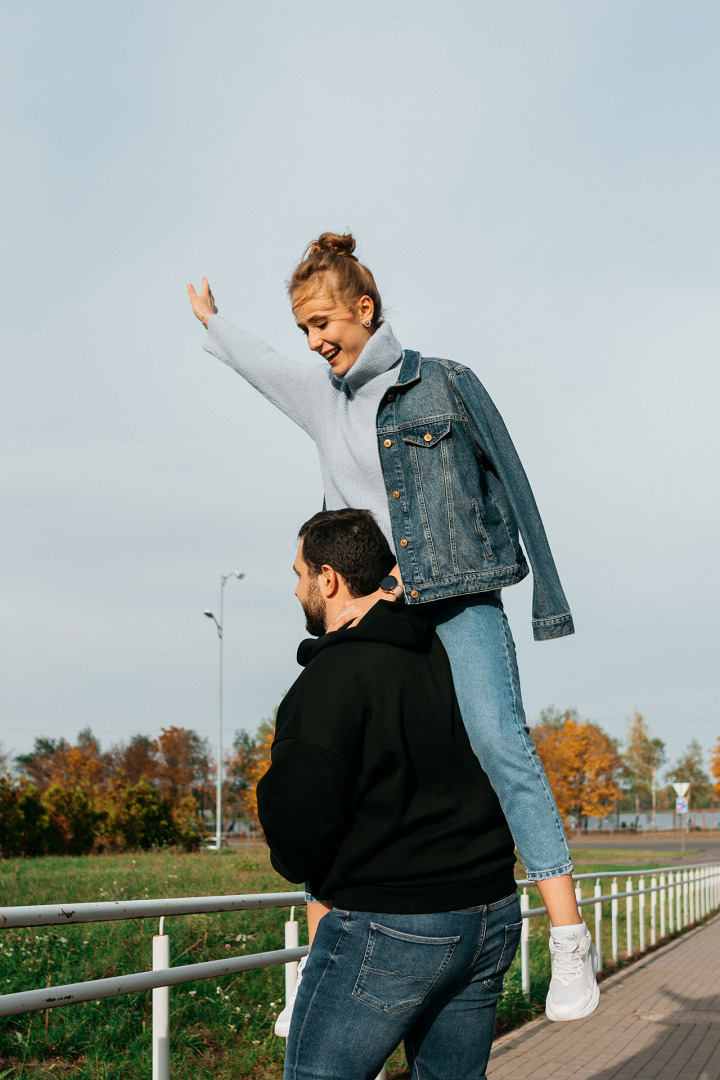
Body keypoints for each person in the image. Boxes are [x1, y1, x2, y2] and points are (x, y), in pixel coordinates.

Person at [187, 232, 599, 1021]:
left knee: (498, 742)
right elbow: (263, 367)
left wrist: (546, 596)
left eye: (323, 325)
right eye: (304, 329)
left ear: (364, 310)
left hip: (459, 595)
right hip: (380, 614)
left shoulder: (445, 382)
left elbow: (512, 481)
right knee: (342, 763)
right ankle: (319, 962)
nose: (314, 343)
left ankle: (570, 944)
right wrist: (216, 325)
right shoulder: (320, 396)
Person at [257, 508, 524, 1080]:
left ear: (328, 579)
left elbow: (299, 823)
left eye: (299, 573)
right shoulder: (448, 656)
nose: (297, 587)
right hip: (490, 914)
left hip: (395, 925)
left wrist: (294, 855)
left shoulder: (329, 681)